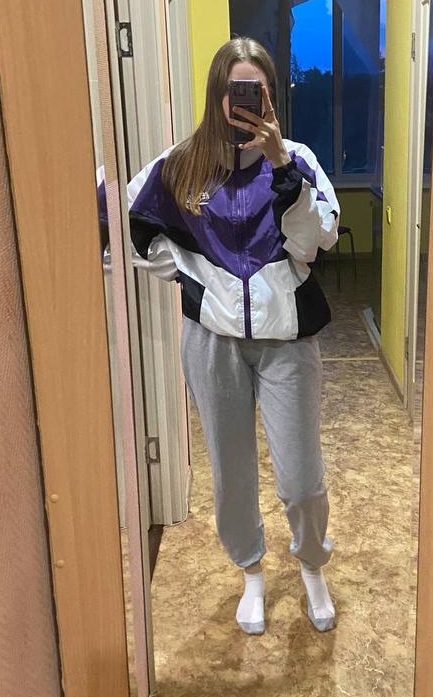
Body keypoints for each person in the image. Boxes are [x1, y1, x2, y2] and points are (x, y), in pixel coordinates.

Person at [126, 37, 339, 634]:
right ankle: (250, 572)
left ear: (270, 96)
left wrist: (281, 167)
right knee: (231, 470)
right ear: (217, 94)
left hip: (288, 341)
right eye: (233, 90)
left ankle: (312, 565)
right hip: (212, 342)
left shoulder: (297, 159)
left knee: (301, 477)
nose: (242, 101)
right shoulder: (182, 164)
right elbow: (126, 222)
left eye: (255, 90)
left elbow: (316, 241)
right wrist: (185, 274)